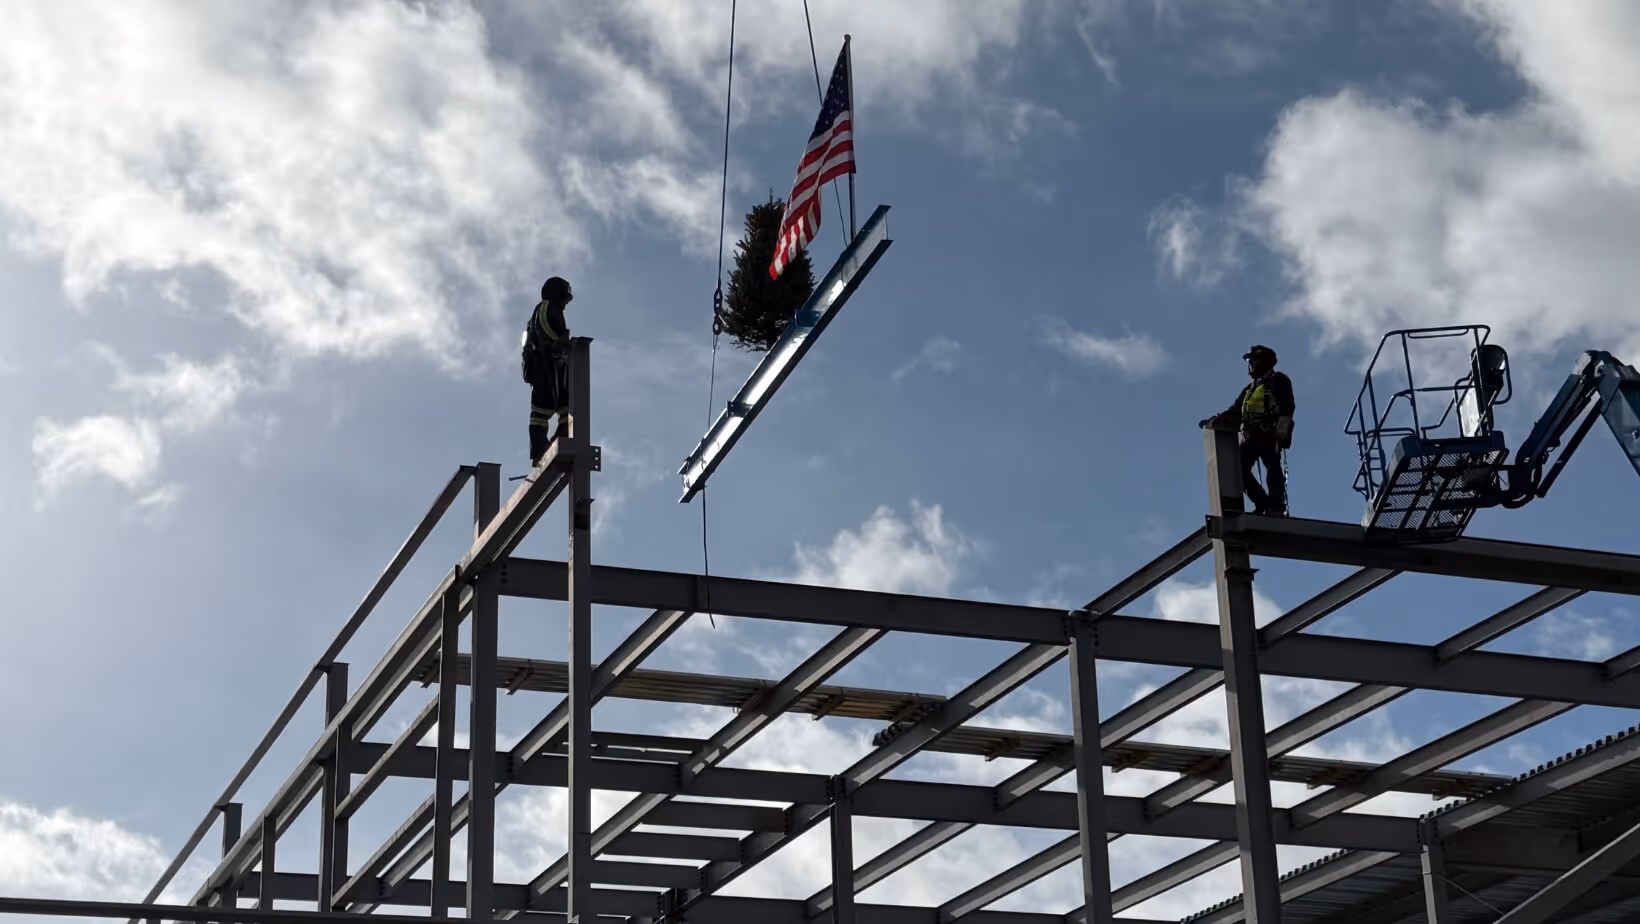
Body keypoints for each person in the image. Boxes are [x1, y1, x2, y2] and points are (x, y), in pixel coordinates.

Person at [1201, 345, 1295, 516]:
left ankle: (1276, 506)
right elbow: (1235, 411)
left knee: (1272, 467)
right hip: (1251, 434)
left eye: (1253, 360)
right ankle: (1263, 503)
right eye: (1249, 361)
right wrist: (1214, 420)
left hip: (1268, 432)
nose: (1250, 364)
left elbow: (1287, 408)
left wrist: (1281, 433)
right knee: (1239, 469)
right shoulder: (1249, 389)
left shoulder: (1278, 380)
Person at [522, 276, 574, 465]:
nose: (566, 303)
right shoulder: (544, 307)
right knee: (540, 410)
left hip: (554, 365)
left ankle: (563, 434)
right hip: (543, 365)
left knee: (564, 403)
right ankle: (539, 448)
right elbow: (543, 326)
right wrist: (557, 344)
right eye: (565, 297)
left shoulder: (554, 310)